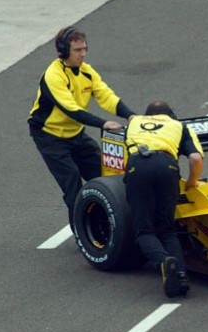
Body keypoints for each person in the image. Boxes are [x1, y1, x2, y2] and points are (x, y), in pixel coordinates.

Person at [28, 26, 136, 226]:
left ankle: (112, 223)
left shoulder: (87, 71)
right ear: (63, 50)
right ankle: (82, 232)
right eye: (77, 50)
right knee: (72, 183)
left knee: (105, 176)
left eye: (84, 49)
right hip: (50, 137)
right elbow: (71, 110)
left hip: (75, 133)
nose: (82, 54)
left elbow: (106, 97)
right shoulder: (54, 75)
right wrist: (103, 123)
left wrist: (131, 115)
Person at [124, 101, 204, 298]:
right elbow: (195, 158)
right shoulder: (179, 126)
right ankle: (181, 276)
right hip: (167, 167)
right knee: (167, 229)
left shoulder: (134, 122)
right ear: (171, 115)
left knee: (144, 231)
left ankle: (164, 261)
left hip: (138, 166)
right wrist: (192, 182)